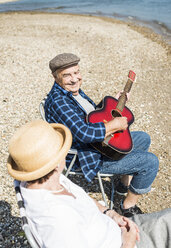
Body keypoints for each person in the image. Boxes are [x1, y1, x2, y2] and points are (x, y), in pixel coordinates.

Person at [7, 120, 170, 248]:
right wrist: (128, 242)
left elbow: (80, 198)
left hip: (115, 227)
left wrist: (111, 214)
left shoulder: (44, 179)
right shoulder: (56, 221)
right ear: (57, 162)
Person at [44, 53, 159, 217]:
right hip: (85, 155)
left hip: (95, 145)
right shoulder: (60, 101)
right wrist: (113, 125)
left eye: (76, 72)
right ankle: (128, 206)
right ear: (55, 77)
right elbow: (84, 133)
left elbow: (91, 115)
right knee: (150, 162)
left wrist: (116, 102)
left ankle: (122, 184)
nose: (74, 79)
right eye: (67, 75)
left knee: (143, 137)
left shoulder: (71, 91)